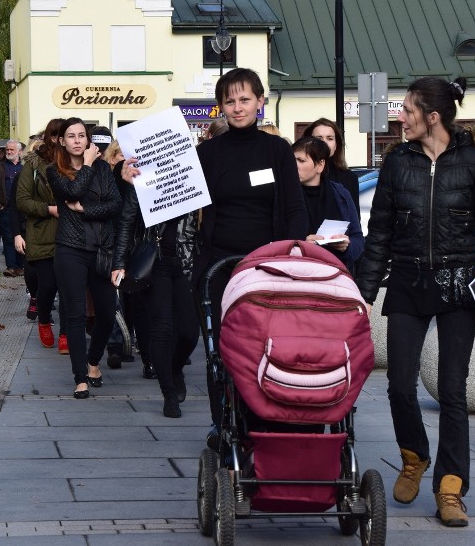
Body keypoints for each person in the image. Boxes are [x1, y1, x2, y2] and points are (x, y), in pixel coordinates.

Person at [355, 76, 475, 528]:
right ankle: (414, 457)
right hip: (407, 282)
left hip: (457, 287)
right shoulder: (396, 164)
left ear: (432, 117)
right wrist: (361, 293)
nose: (399, 117)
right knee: (399, 386)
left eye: (407, 110)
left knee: (452, 390)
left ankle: (451, 488)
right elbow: (380, 235)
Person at [187, 67, 307, 442]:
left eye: (244, 99)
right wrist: (136, 181)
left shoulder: (276, 149)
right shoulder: (207, 152)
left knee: (265, 346)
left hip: (268, 264)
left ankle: (265, 415)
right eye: (229, 101)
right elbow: (175, 201)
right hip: (218, 265)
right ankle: (221, 420)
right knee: (221, 347)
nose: (237, 108)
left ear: (259, 101)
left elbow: (294, 206)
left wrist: (292, 253)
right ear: (220, 106)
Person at [111, 170, 199, 418]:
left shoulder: (193, 177)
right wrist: (119, 262)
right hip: (154, 262)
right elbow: (126, 222)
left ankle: (174, 367)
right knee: (160, 327)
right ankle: (169, 394)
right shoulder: (141, 181)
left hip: (186, 262)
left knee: (189, 331)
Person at [46, 117, 122, 399]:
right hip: (70, 249)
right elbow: (73, 191)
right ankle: (80, 377)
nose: (77, 140)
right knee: (75, 314)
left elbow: (115, 205)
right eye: (71, 136)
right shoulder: (55, 171)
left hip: (101, 250)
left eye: (82, 135)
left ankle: (93, 361)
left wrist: (84, 210)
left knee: (106, 312)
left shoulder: (103, 168)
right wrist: (88, 164)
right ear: (62, 141)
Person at [16, 120, 66, 348]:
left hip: (72, 232)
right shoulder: (34, 164)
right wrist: (48, 209)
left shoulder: (78, 162)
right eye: (55, 136)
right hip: (43, 233)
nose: (59, 141)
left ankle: (67, 332)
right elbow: (22, 200)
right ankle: (44, 321)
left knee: (70, 287)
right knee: (48, 285)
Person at [292, 136, 364, 270]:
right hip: (296, 275)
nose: (294, 165)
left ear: (320, 165)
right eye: (292, 160)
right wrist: (300, 245)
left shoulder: (341, 194)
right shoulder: (285, 194)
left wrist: (346, 246)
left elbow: (358, 240)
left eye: (301, 160)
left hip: (335, 275)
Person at [302, 118, 360, 219]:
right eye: (319, 138)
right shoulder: (298, 174)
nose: (324, 143)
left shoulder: (349, 179)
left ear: (336, 145)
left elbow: (354, 220)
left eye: (330, 138)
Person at [0, 140, 25, 276]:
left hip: (22, 209)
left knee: (22, 236)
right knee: (8, 237)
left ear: (19, 151)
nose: (9, 152)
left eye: (12, 150)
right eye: (7, 150)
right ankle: (11, 266)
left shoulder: (24, 167)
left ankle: (21, 265)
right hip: (6, 208)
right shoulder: (0, 167)